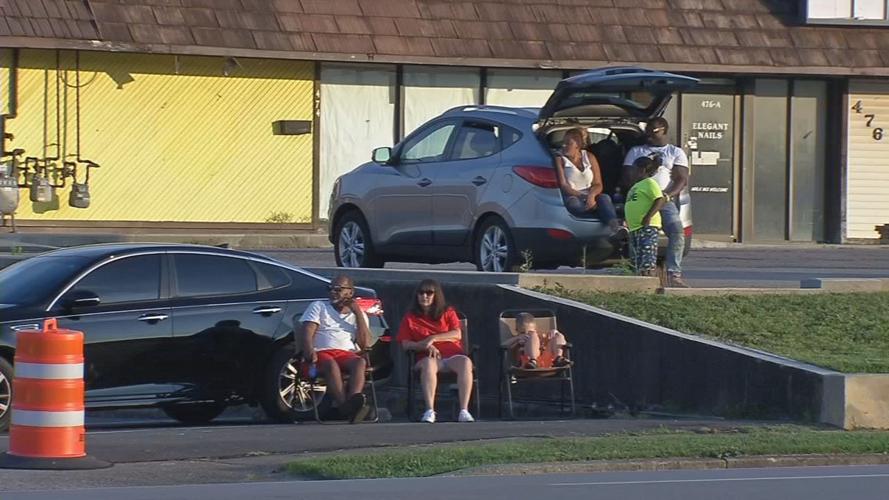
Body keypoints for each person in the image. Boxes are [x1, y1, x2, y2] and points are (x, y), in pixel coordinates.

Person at [622, 118, 690, 287]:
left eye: (654, 130)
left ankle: (674, 273)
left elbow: (682, 179)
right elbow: (626, 177)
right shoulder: (636, 151)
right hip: (642, 197)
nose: (649, 134)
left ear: (664, 130)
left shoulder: (675, 152)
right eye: (648, 130)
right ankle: (639, 273)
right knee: (639, 236)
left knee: (677, 232)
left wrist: (668, 195)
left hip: (664, 197)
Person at [397, 279, 475, 424]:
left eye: (429, 293)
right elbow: (406, 344)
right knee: (429, 365)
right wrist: (424, 345)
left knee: (465, 362)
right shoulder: (410, 317)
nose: (424, 296)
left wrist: (433, 338)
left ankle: (464, 410)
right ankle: (429, 410)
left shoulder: (448, 312)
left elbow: (457, 334)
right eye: (421, 293)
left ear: (436, 295)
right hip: (427, 357)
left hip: (452, 355)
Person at [300, 274, 372, 423]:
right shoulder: (319, 306)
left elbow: (365, 345)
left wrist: (357, 312)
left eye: (338, 289)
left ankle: (353, 404)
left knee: (360, 362)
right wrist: (309, 352)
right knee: (330, 363)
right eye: (330, 289)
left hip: (346, 354)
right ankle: (344, 407)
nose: (333, 292)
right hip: (321, 353)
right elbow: (307, 333)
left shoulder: (358, 314)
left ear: (350, 293)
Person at [554, 128, 625, 239]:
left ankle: (616, 227)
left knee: (604, 197)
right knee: (574, 204)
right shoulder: (560, 159)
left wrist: (591, 196)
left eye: (568, 143)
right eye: (563, 143)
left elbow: (598, 183)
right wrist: (584, 197)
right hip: (574, 195)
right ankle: (600, 213)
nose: (564, 146)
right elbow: (564, 186)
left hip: (591, 195)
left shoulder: (589, 156)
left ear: (577, 145)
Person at [625, 156, 667, 277]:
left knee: (647, 257)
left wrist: (648, 216)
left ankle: (648, 279)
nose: (631, 172)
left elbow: (659, 199)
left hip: (647, 227)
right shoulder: (636, 186)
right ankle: (639, 280)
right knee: (636, 259)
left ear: (642, 170)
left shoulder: (649, 183)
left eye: (633, 169)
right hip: (635, 228)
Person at [501, 312, 570, 370]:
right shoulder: (518, 340)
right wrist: (517, 338)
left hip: (548, 362)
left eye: (530, 331)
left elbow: (556, 340)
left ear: (535, 328)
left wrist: (554, 332)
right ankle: (533, 360)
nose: (526, 334)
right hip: (527, 364)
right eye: (523, 332)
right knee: (532, 336)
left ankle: (558, 358)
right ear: (517, 330)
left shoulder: (539, 336)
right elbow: (503, 345)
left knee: (558, 335)